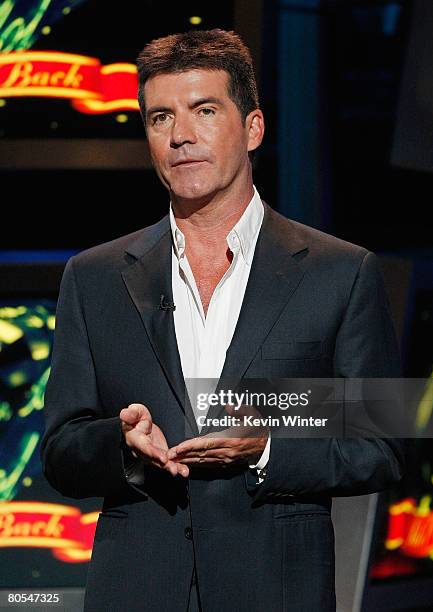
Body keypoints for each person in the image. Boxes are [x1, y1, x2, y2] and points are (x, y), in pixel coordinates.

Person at [40, 29, 405, 612]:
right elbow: (60, 450)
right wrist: (123, 445)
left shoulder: (341, 272)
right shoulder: (95, 277)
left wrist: (266, 447)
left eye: (204, 110)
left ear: (253, 127)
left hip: (276, 593)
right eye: (160, 117)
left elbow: (384, 444)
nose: (180, 135)